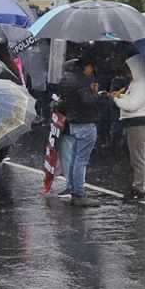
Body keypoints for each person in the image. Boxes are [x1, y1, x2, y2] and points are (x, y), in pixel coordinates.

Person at [58, 55, 101, 207]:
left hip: (73, 123)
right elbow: (87, 101)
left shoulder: (65, 80)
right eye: (91, 67)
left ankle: (73, 188)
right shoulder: (82, 80)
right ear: (85, 67)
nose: (92, 70)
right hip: (85, 123)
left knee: (76, 158)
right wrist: (96, 94)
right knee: (81, 160)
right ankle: (79, 193)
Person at [111, 54, 145, 201]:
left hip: (138, 125)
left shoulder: (143, 83)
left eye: (130, 69)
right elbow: (130, 100)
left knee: (138, 158)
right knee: (134, 158)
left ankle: (139, 189)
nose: (128, 72)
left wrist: (116, 100)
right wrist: (121, 97)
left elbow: (132, 105)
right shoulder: (135, 83)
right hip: (132, 124)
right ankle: (136, 185)